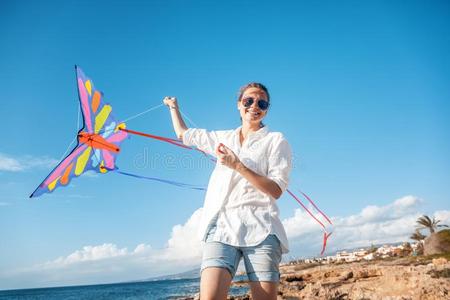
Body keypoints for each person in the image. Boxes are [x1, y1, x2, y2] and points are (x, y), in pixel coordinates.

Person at [163, 83, 292, 300]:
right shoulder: (223, 138)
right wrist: (173, 107)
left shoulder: (276, 140)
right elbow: (183, 134)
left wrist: (238, 165)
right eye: (248, 101)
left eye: (262, 102)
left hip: (262, 227)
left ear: (267, 108)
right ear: (238, 105)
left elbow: (277, 189)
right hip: (221, 227)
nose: (254, 106)